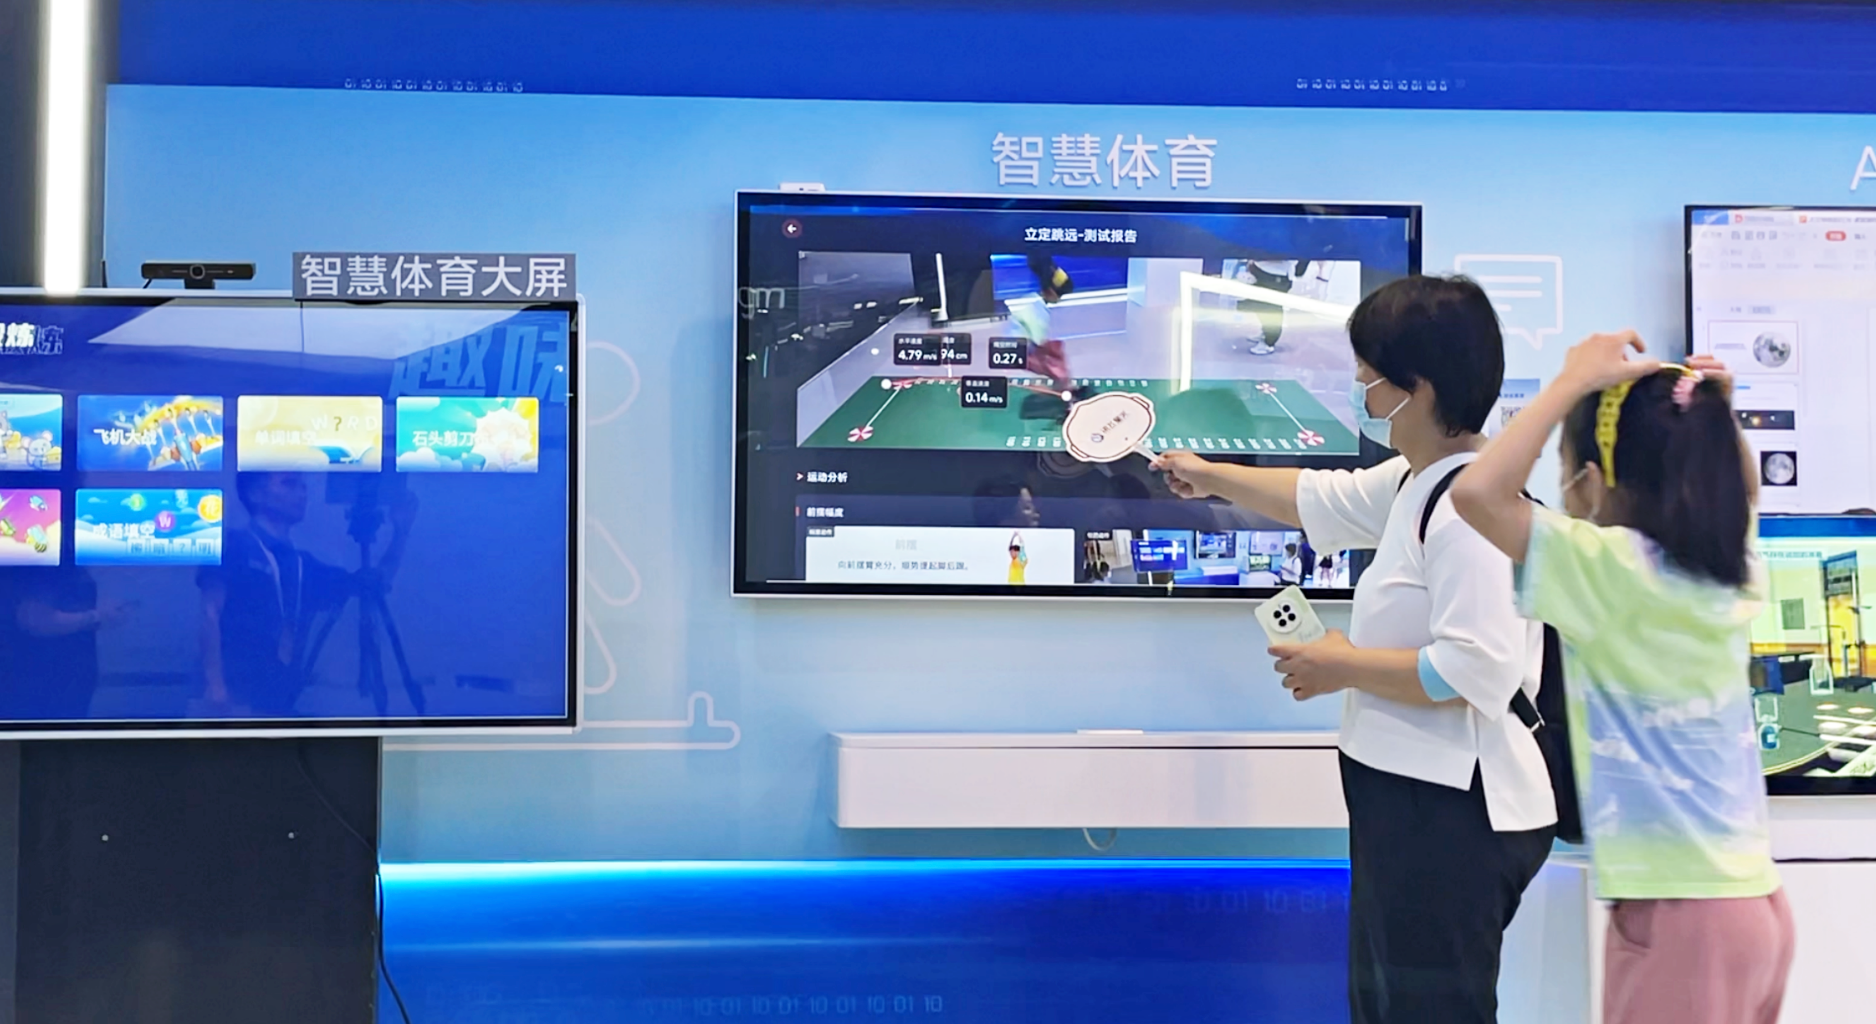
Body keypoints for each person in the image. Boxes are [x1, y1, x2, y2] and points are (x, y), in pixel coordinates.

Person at [1155, 274, 1554, 1024]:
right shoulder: (1416, 481)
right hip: (1405, 800)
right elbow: (1319, 499)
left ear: (1419, 389)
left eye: (1369, 378)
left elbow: (1477, 668)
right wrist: (1206, 476)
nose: (1360, 393)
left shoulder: (1470, 510)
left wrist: (1340, 665)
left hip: (1453, 813)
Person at [1451, 336, 1791, 1024]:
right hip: (1756, 907)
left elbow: (1477, 493)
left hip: (1679, 918)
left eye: (1563, 471)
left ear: (1592, 482)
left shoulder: (1611, 569)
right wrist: (1718, 418)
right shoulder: (1727, 566)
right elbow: (1742, 492)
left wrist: (1569, 385)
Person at [199, 472, 415, 717]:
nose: (302, 493)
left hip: (277, 707)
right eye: (289, 483)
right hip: (229, 707)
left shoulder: (304, 566)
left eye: (303, 486)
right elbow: (210, 612)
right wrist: (215, 687)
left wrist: (401, 532)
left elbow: (374, 585)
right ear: (255, 493)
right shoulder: (231, 545)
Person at [0, 566, 129, 720]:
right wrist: (97, 616)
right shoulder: (46, 568)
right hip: (40, 685)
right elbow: (33, 618)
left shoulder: (67, 569)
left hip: (67, 684)